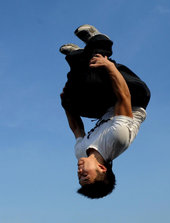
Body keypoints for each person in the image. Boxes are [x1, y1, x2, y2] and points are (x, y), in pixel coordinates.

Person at [61, 25, 148, 199]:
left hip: (108, 107)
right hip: (135, 96)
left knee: (71, 98)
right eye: (85, 176)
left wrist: (67, 106)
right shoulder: (117, 139)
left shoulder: (80, 152)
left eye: (79, 178)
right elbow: (124, 97)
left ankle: (78, 56)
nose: (79, 173)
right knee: (97, 73)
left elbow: (76, 128)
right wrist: (109, 67)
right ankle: (98, 40)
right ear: (102, 168)